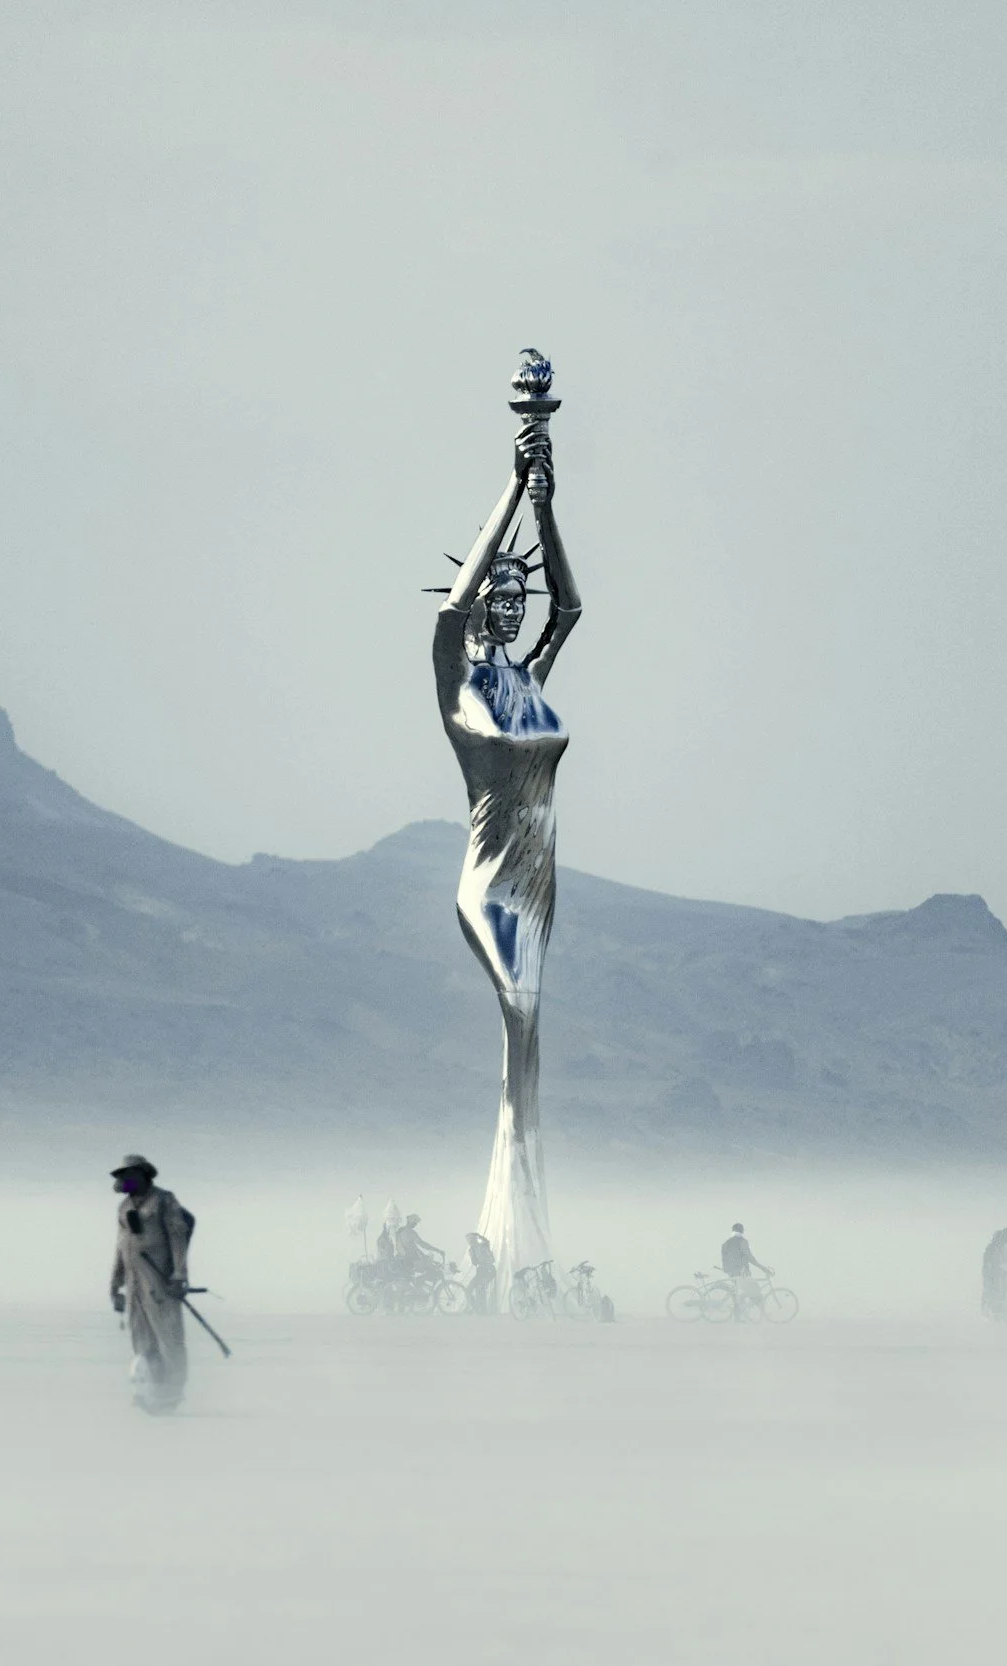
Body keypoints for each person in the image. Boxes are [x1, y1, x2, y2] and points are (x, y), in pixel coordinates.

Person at [433, 364, 583, 1283]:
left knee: (529, 1041)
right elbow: (456, 605)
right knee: (518, 1031)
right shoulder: (459, 679)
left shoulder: (531, 682)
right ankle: (514, 1240)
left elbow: (572, 604)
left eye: (519, 595)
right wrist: (510, 486)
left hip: (542, 879)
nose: (515, 601)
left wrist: (549, 501)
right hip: (493, 881)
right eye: (502, 592)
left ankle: (521, 1246)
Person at [108, 1154, 195, 1414]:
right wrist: (115, 1284)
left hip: (159, 1283)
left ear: (144, 1174)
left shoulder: (164, 1201)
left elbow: (177, 1239)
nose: (124, 1180)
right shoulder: (124, 1207)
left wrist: (179, 1275)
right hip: (133, 1286)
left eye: (129, 1174)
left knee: (169, 1339)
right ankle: (151, 1391)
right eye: (122, 1176)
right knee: (142, 1339)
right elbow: (121, 1247)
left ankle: (172, 1394)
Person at [980, 1228, 1007, 1322]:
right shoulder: (992, 1247)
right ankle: (991, 1314)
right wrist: (992, 1273)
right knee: (994, 1293)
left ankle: (1001, 1314)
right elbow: (988, 1262)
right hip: (993, 1274)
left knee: (1003, 1294)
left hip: (1004, 1275)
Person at [466, 1231, 498, 1316]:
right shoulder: (471, 1250)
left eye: (471, 1239)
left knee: (481, 1288)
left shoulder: (482, 1245)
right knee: (469, 1289)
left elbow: (487, 1242)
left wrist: (479, 1235)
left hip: (489, 1270)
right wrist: (473, 1256)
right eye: (468, 1240)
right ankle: (475, 1308)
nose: (470, 1242)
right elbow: (474, 1262)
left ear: (475, 1239)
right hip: (480, 1271)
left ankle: (483, 1311)